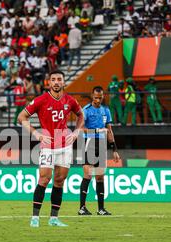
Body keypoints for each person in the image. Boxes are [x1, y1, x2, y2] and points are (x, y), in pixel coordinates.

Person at [17, 70, 84, 228]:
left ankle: (54, 218)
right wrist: (36, 133)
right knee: (44, 178)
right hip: (47, 145)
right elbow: (21, 117)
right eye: (53, 79)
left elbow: (81, 115)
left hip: (65, 146)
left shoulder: (70, 100)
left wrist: (76, 132)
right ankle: (35, 217)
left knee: (59, 181)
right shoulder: (41, 100)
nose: (56, 82)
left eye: (59, 79)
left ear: (63, 82)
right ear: (49, 82)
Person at [78, 86, 120, 216]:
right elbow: (80, 128)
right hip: (89, 143)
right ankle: (82, 208)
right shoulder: (86, 110)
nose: (98, 100)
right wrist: (96, 131)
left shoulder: (105, 111)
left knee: (100, 177)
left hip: (101, 145)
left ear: (103, 96)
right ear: (92, 96)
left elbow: (109, 130)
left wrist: (114, 149)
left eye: (100, 97)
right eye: (96, 97)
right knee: (88, 175)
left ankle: (101, 209)